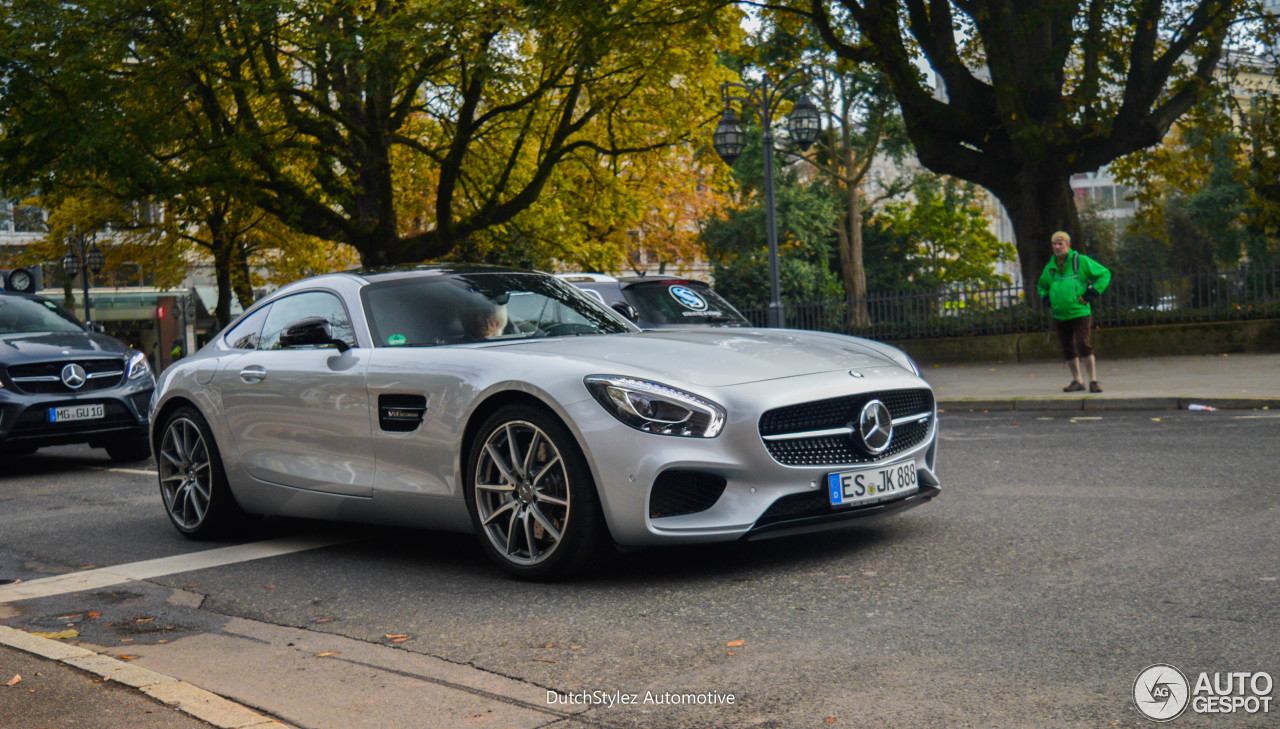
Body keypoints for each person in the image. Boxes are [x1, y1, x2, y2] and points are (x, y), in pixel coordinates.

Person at [1037, 231, 1111, 393]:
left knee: (1083, 344)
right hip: (1060, 314)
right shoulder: (1050, 267)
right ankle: (1077, 380)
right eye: (1054, 244)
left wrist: (1092, 293)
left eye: (1060, 243)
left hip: (1079, 312)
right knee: (1067, 348)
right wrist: (1046, 299)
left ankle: (1093, 380)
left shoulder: (1080, 261)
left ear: (1068, 245)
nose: (1057, 247)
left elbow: (1104, 274)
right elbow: (1042, 285)